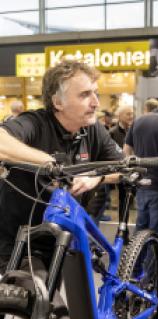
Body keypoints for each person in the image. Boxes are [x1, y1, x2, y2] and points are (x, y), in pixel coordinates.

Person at [0, 60, 123, 272]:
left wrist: (96, 177)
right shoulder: (35, 123)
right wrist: (49, 161)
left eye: (95, 93)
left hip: (61, 240)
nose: (95, 102)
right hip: (17, 240)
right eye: (84, 95)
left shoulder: (93, 130)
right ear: (58, 102)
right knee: (30, 300)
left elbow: (121, 167)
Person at [124, 91, 158, 246]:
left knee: (140, 228)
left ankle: (134, 268)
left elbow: (126, 150)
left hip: (141, 184)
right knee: (157, 233)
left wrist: (134, 171)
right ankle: (153, 270)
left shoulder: (138, 121)